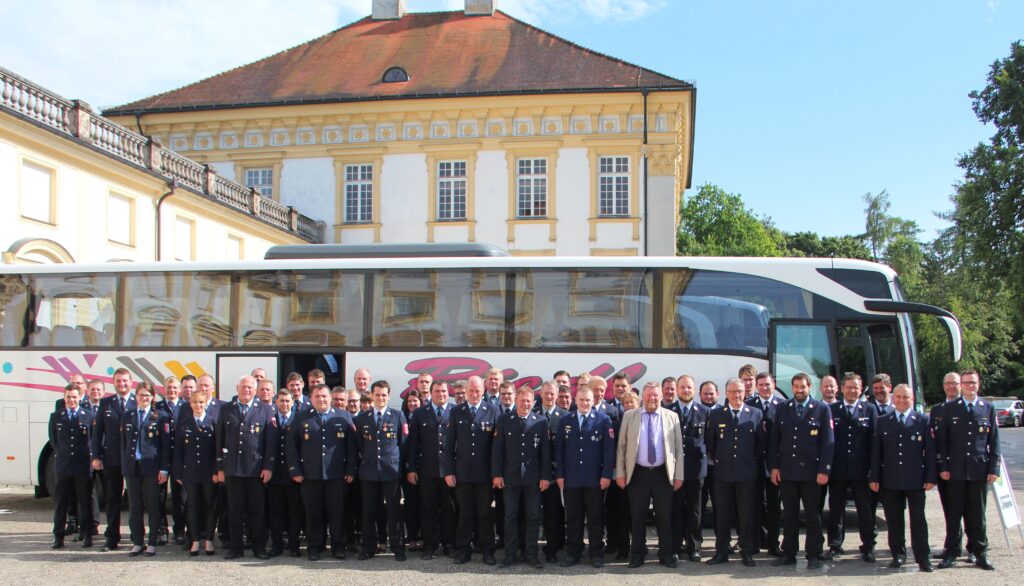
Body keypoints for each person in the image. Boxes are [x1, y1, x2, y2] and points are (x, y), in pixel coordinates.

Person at [935, 369, 1000, 571]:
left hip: (979, 470)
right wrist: (943, 466)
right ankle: (952, 552)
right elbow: (942, 442)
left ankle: (979, 552)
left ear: (978, 384)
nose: (970, 386)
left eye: (973, 382)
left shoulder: (987, 408)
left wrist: (994, 468)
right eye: (966, 382)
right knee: (954, 513)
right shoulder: (950, 408)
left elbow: (994, 441)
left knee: (977, 514)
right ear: (960, 385)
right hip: (954, 471)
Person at [768, 373, 834, 569]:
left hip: (812, 474)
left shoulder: (822, 409)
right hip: (787, 472)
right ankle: (789, 553)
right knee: (789, 515)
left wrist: (824, 470)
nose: (799, 390)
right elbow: (774, 440)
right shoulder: (782, 408)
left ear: (809, 387)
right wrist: (774, 467)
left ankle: (814, 554)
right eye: (795, 386)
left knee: (813, 515)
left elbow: (828, 442)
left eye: (802, 386)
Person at [616, 381, 684, 568]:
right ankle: (637, 554)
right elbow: (621, 447)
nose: (652, 398)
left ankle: (666, 554)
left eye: (655, 395)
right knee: (637, 517)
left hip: (664, 474)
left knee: (664, 516)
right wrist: (620, 473)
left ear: (661, 396)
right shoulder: (630, 416)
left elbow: (678, 449)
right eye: (648, 395)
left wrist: (679, 475)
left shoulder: (672, 416)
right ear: (642, 397)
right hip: (638, 474)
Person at [869, 384, 936, 572]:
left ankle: (922, 557)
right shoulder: (883, 421)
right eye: (897, 397)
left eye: (905, 397)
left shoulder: (922, 420)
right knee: (894, 520)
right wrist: (874, 476)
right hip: (890, 479)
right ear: (893, 397)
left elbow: (930, 452)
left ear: (911, 399)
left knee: (918, 520)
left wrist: (931, 476)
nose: (900, 400)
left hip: (915, 479)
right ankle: (898, 555)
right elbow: (877, 453)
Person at [287, 384, 357, 561]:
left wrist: (350, 469)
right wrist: (295, 469)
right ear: (311, 398)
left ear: (330, 397)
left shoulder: (343, 416)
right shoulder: (302, 417)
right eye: (317, 396)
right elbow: (291, 445)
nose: (321, 399)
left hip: (337, 475)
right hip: (310, 475)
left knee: (337, 512)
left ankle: (338, 547)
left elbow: (352, 446)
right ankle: (314, 547)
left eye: (325, 396)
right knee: (313, 513)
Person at [705, 378, 765, 567]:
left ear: (745, 392)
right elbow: (711, 444)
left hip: (747, 474)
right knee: (721, 515)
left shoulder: (755, 413)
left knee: (746, 515)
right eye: (733, 391)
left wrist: (747, 462)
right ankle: (721, 551)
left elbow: (760, 444)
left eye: (740, 391)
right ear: (726, 393)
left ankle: (747, 552)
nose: (737, 395)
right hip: (723, 474)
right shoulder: (716, 415)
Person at [216, 375, 277, 560]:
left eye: (250, 387)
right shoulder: (226, 409)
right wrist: (220, 466)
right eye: (243, 387)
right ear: (237, 388)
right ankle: (236, 548)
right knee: (234, 511)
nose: (247, 390)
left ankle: (259, 548)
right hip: (233, 469)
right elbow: (219, 439)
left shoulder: (265, 410)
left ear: (255, 389)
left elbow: (270, 442)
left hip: (255, 470)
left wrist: (268, 466)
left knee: (257, 511)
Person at [556, 384, 615, 568]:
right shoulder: (566, 420)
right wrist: (559, 475)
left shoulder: (603, 420)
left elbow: (609, 451)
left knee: (595, 518)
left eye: (588, 400)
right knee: (573, 518)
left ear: (593, 400)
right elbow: (559, 451)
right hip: (571, 478)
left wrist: (606, 475)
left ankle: (596, 553)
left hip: (594, 479)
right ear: (575, 400)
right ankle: (573, 552)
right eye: (581, 400)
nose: (584, 403)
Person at [493, 385, 551, 567]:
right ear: (516, 400)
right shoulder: (504, 420)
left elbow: (545, 453)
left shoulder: (541, 421)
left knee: (533, 517)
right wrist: (497, 474)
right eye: (522, 400)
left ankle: (531, 555)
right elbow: (497, 451)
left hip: (533, 479)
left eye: (528, 401)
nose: (525, 404)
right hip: (510, 478)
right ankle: (510, 554)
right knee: (510, 516)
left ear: (533, 402)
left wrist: (545, 476)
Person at [444, 375, 499, 565]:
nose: (474, 394)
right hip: (463, 473)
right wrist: (449, 471)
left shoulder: (493, 410)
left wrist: (496, 473)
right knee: (465, 514)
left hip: (485, 474)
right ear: (465, 391)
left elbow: (497, 446)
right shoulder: (457, 411)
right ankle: (463, 550)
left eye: (477, 391)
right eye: (471, 390)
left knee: (484, 514)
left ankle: (487, 551)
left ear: (483, 391)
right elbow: (450, 443)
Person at [825, 373, 877, 561]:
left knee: (865, 511)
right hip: (838, 469)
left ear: (861, 389)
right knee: (836, 510)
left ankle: (868, 546)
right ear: (842, 388)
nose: (852, 390)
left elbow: (874, 442)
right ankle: (835, 545)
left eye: (856, 387)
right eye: (849, 387)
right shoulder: (831, 409)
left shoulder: (869, 410)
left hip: (861, 470)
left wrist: (874, 470)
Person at [354, 380, 408, 561]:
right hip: (369, 471)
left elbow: (403, 444)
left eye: (384, 395)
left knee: (394, 511)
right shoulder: (362, 418)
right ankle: (368, 547)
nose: (380, 398)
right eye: (377, 394)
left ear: (388, 396)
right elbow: (360, 445)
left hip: (391, 471)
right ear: (372, 395)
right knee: (368, 511)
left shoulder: (397, 416)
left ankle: (397, 548)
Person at [120, 383, 171, 557]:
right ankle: (137, 542)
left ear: (152, 397)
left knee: (153, 506)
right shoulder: (128, 416)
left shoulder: (161, 417)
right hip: (132, 467)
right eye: (141, 395)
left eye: (147, 395)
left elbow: (165, 446)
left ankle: (152, 542)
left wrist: (164, 469)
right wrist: (124, 465)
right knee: (135, 507)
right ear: (136, 396)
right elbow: (123, 443)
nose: (144, 398)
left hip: (152, 468)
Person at [407, 380, 455, 560]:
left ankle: (448, 543)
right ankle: (430, 545)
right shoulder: (420, 413)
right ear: (431, 392)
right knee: (428, 509)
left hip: (449, 471)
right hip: (427, 471)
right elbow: (412, 444)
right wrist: (411, 468)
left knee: (449, 509)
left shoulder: (455, 411)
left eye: (444, 391)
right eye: (437, 391)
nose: (441, 394)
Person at [90, 367, 136, 551]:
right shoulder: (105, 403)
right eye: (118, 381)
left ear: (130, 382)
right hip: (112, 459)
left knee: (135, 499)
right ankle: (112, 537)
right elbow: (97, 432)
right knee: (112, 499)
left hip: (134, 460)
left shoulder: (137, 401)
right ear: (113, 383)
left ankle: (136, 536)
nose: (122, 384)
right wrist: (96, 456)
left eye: (125, 381)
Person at [666, 374, 708, 561]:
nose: (686, 390)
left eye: (689, 387)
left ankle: (694, 547)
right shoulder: (667, 411)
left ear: (694, 389)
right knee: (674, 509)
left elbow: (710, 441)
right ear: (677, 389)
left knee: (695, 510)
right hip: (673, 469)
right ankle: (674, 547)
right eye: (682, 387)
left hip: (695, 468)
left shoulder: (705, 412)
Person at [50, 384, 95, 549]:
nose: (71, 400)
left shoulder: (88, 416)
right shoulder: (56, 416)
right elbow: (54, 441)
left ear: (80, 397)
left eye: (74, 397)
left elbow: (92, 440)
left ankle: (87, 535)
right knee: (61, 503)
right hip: (63, 467)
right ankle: (58, 536)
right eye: (68, 397)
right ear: (64, 397)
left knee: (85, 502)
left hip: (82, 467)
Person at [173, 389, 218, 556]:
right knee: (192, 506)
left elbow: (217, 450)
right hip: (190, 473)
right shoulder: (183, 423)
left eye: (201, 402)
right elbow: (178, 451)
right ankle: (194, 540)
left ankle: (209, 540)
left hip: (208, 474)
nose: (198, 405)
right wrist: (177, 473)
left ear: (206, 402)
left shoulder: (213, 421)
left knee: (209, 506)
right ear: (190, 404)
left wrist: (216, 470)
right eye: (195, 402)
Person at [745, 372, 783, 556]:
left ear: (773, 385)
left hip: (775, 464)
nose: (764, 388)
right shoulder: (749, 405)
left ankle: (773, 543)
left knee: (774, 506)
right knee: (754, 505)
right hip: (755, 463)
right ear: (756, 386)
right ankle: (755, 541)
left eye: (767, 384)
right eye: (760, 385)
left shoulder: (783, 406)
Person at [930, 371, 967, 563]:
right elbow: (933, 441)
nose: (951, 387)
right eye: (948, 384)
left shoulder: (968, 407)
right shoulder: (937, 410)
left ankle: (973, 547)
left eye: (955, 383)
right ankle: (952, 546)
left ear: (960, 385)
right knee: (950, 511)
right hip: (945, 470)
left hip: (966, 469)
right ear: (943, 386)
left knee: (971, 510)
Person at [533, 381, 568, 562]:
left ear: (556, 395)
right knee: (532, 514)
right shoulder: (533, 413)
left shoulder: (565, 417)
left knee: (553, 514)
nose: (548, 397)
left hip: (554, 475)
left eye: (551, 394)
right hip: (534, 473)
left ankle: (552, 549)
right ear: (541, 393)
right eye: (545, 393)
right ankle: (529, 548)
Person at [266, 389, 301, 557]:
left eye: (288, 401)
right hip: (275, 475)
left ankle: (294, 545)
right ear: (275, 402)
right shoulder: (270, 420)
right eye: (281, 401)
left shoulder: (299, 420)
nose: (285, 404)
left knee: (294, 511)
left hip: (293, 474)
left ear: (292, 403)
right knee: (275, 511)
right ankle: (277, 545)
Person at [159, 375, 187, 545]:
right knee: (159, 497)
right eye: (169, 387)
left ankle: (179, 530)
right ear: (164, 389)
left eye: (175, 387)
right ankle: (162, 530)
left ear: (180, 390)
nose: (172, 390)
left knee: (179, 498)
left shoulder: (185, 407)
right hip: (161, 457)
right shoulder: (157, 407)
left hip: (178, 458)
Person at [400, 390, 423, 552]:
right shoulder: (402, 419)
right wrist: (409, 467)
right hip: (407, 468)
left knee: (425, 505)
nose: (412, 404)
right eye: (409, 401)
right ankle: (412, 537)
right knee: (410, 505)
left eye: (415, 401)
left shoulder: (424, 417)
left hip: (425, 468)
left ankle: (423, 537)